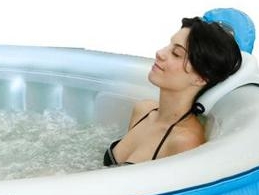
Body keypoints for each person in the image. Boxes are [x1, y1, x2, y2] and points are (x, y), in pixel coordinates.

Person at [104, 17, 242, 167]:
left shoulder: (185, 142)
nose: (159, 53)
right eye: (168, 46)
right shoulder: (143, 110)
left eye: (176, 53)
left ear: (201, 78)